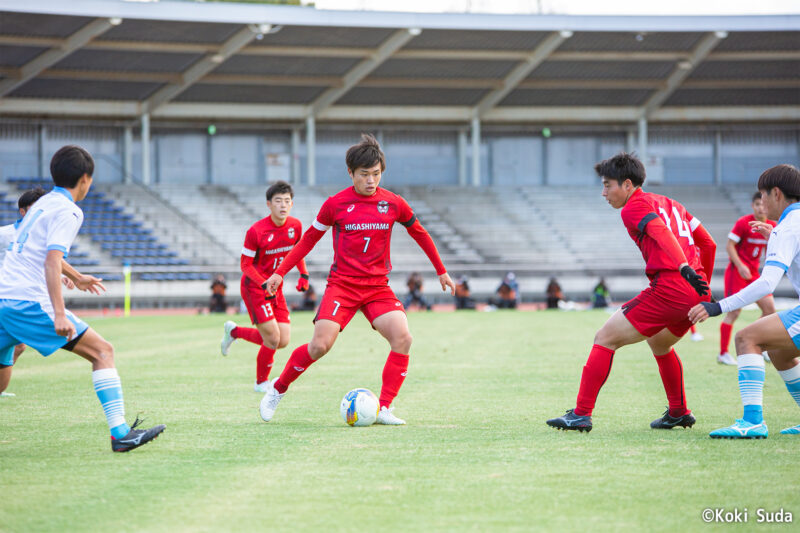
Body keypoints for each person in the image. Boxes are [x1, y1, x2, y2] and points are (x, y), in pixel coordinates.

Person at [260, 134, 455, 425]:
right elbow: (308, 240)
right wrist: (279, 272)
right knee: (319, 346)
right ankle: (277, 388)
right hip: (343, 286)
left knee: (403, 338)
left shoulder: (393, 203)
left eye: (376, 174)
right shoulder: (335, 204)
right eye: (364, 174)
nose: (371, 180)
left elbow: (420, 233)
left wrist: (441, 270)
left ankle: (384, 408)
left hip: (377, 287)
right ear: (350, 173)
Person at [0, 145, 165, 451]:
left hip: (4, 301)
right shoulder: (69, 210)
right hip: (28, 303)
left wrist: (76, 277)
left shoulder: (42, 204)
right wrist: (59, 313)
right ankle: (120, 433)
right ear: (86, 179)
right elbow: (51, 259)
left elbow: (35, 251)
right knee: (102, 351)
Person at [546, 152, 716, 433]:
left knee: (604, 338)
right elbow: (708, 244)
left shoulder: (633, 207)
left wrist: (683, 266)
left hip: (671, 287)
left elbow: (660, 231)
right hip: (694, 292)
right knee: (660, 344)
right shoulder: (673, 204)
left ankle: (580, 414)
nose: (604, 193)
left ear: (627, 184)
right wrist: (703, 288)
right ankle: (678, 411)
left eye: (607, 185)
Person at [690, 164, 800, 438]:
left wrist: (718, 305)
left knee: (746, 338)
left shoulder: (786, 229)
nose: (760, 202)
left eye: (762, 195)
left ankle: (752, 421)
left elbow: (766, 284)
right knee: (779, 351)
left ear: (776, 193)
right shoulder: (788, 227)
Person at [220, 180, 310, 392]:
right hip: (255, 288)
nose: (283, 205)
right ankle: (261, 383)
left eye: (287, 201)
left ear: (292, 204)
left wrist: (304, 274)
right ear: (268, 204)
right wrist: (263, 283)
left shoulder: (295, 226)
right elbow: (245, 264)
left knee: (283, 339)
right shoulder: (256, 231)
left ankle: (234, 332)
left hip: (274, 287)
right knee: (272, 338)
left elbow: (296, 252)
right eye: (278, 201)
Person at [716, 192, 777, 365]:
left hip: (755, 274)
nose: (760, 207)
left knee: (770, 309)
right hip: (737, 273)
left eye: (762, 204)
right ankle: (723, 353)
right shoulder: (744, 223)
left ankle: (760, 345)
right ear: (752, 206)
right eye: (757, 204)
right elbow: (730, 246)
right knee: (734, 312)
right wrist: (741, 265)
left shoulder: (772, 225)